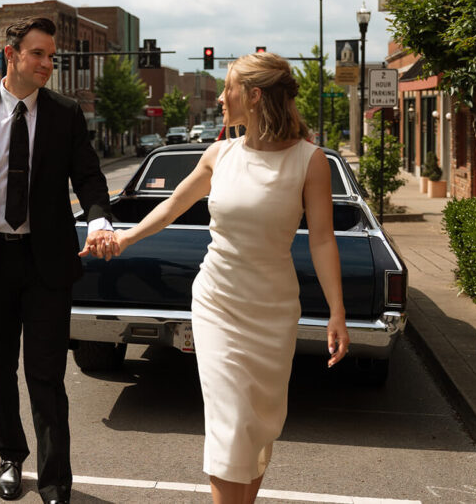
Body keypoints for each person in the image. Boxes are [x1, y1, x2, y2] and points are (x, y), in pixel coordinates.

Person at [106, 52, 350, 504]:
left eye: (229, 87)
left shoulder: (310, 161)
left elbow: (322, 241)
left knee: (259, 424)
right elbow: (171, 206)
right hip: (218, 303)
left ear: (254, 96)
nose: (220, 97)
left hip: (274, 311)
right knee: (230, 423)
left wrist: (337, 311)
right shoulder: (219, 154)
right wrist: (124, 239)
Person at [0, 16, 115, 504]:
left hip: (46, 263)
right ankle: (10, 457)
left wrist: (99, 221)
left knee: (46, 373)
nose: (48, 64)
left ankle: (55, 480)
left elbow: (90, 179)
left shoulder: (65, 114)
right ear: (10, 55)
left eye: (52, 56)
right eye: (39, 54)